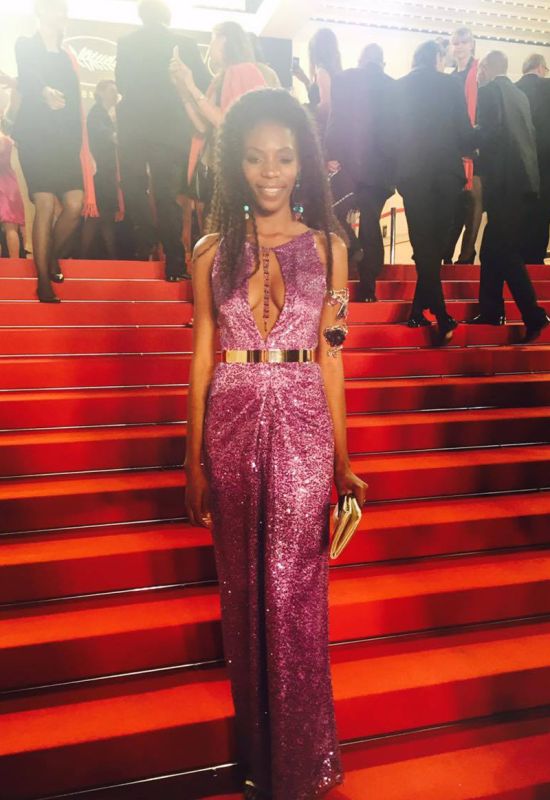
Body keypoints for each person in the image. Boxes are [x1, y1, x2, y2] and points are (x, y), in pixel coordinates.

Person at [186, 88, 367, 799]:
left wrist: (343, 459)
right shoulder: (209, 252)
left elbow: (332, 355)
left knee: (294, 595)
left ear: (304, 165)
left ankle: (303, 764)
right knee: (242, 599)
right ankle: (261, 761)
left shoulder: (330, 250)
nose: (270, 171)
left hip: (303, 426)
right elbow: (203, 357)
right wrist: (192, 460)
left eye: (284, 158)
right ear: (235, 164)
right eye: (256, 157)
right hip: (230, 426)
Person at [115, 0, 210, 280]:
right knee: (167, 196)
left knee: (133, 186)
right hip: (169, 128)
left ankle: (146, 235)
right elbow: (202, 81)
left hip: (135, 127)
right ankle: (175, 263)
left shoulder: (127, 42)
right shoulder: (185, 44)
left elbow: (122, 83)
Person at [394, 40, 476, 342]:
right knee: (435, 245)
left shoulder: (400, 87)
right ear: (438, 59)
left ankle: (419, 310)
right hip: (445, 173)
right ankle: (440, 314)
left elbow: (392, 134)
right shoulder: (450, 84)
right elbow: (465, 134)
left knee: (423, 244)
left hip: (413, 174)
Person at [13, 0, 90, 303]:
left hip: (64, 142)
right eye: (58, 9)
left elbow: (75, 106)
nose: (62, 15)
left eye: (64, 11)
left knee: (75, 203)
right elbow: (28, 74)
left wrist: (82, 148)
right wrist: (44, 91)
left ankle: (50, 256)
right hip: (36, 137)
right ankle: (44, 281)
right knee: (44, 204)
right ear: (42, 12)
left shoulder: (67, 55)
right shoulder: (25, 44)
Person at [473, 51, 549, 341]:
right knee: (491, 249)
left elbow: (489, 135)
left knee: (504, 250)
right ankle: (491, 311)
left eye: (481, 68)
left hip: (504, 184)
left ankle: (534, 314)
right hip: (525, 183)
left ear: (487, 67)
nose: (478, 74)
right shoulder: (519, 96)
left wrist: (466, 141)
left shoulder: (489, 91)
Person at [170, 20, 268, 211]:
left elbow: (227, 122)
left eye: (213, 39)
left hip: (238, 167)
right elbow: (202, 125)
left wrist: (191, 86)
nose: (210, 46)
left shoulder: (243, 71)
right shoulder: (221, 78)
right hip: (222, 167)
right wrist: (183, 89)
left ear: (225, 40)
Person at [325, 43, 396, 302]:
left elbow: (336, 120)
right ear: (382, 62)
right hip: (381, 172)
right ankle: (368, 286)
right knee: (370, 221)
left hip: (350, 165)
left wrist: (331, 154)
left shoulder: (344, 79)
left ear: (360, 59)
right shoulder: (393, 87)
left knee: (331, 212)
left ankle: (353, 248)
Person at [444, 27, 483, 265]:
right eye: (455, 43)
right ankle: (447, 252)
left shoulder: (478, 72)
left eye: (463, 42)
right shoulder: (449, 77)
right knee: (455, 202)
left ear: (471, 44)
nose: (458, 47)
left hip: (474, 146)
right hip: (453, 147)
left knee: (473, 199)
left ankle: (467, 254)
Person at [516, 53, 550, 264]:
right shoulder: (548, 87)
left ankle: (519, 259)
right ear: (541, 67)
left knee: (519, 213)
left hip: (517, 163)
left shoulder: (512, 89)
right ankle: (536, 259)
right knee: (541, 212)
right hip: (545, 161)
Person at [82, 80, 121, 259]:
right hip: (100, 174)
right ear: (100, 92)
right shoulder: (96, 114)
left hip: (106, 173)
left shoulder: (103, 114)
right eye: (112, 90)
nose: (115, 94)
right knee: (98, 216)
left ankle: (110, 258)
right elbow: (106, 135)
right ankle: (82, 258)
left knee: (105, 217)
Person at [292, 28, 342, 139]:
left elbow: (326, 105)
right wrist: (306, 81)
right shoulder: (337, 72)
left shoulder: (322, 72)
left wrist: (307, 110)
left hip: (322, 132)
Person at [0, 131, 26, 258]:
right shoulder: (7, 140)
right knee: (12, 227)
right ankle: (15, 262)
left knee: (10, 229)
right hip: (10, 184)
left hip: (3, 184)